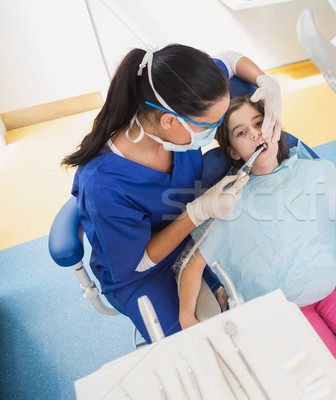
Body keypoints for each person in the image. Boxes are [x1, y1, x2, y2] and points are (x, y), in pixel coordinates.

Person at [177, 97, 336, 399]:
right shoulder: (231, 199)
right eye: (241, 132)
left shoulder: (307, 173)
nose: (254, 134)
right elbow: (193, 263)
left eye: (259, 123)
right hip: (286, 304)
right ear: (233, 152)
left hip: (328, 284)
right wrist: (187, 317)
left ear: (274, 127)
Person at [61, 44, 282, 343]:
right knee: (199, 347)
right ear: (170, 121)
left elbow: (229, 60)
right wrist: (198, 212)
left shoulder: (184, 94)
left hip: (193, 234)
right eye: (210, 125)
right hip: (141, 274)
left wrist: (267, 82)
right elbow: (137, 263)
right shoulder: (103, 184)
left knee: (250, 308)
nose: (216, 129)